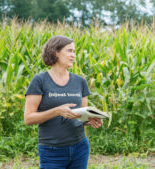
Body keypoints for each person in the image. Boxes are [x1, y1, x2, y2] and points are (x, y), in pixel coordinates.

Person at [24, 35, 103, 169]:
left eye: (74, 51)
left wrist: (90, 120)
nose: (74, 55)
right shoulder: (39, 81)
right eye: (69, 51)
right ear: (56, 52)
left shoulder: (80, 81)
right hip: (51, 150)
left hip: (80, 147)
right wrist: (57, 111)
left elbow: (82, 115)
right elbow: (28, 119)